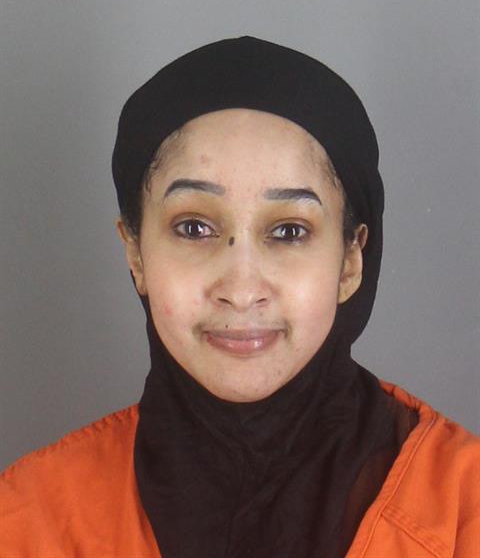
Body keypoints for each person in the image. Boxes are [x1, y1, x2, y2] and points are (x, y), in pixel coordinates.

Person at [0, 36, 478, 558]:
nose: (242, 289)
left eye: (290, 231)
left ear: (349, 261)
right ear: (136, 254)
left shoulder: (464, 512)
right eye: (194, 227)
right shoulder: (27, 521)